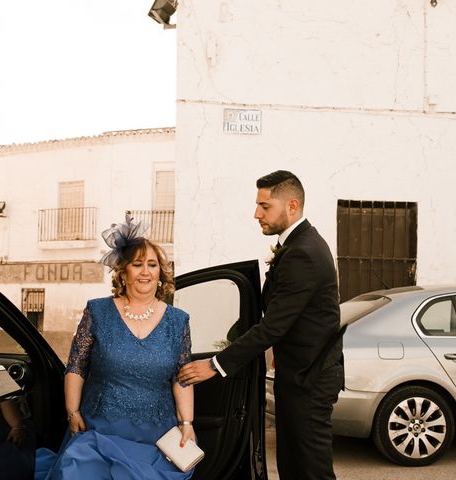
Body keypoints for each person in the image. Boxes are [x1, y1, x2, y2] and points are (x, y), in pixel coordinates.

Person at [178, 170, 344, 480]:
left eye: (265, 206)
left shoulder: (303, 254)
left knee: (311, 471)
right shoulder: (298, 246)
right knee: (294, 467)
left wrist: (214, 364)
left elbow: (273, 327)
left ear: (291, 206)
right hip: (301, 377)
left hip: (309, 381)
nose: (256, 214)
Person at [35, 215, 196, 479]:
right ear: (123, 271)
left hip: (156, 435)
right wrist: (72, 411)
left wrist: (186, 423)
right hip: (99, 430)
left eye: (152, 265)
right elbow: (77, 365)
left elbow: (183, 377)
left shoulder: (178, 321)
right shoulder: (97, 311)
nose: (145, 271)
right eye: (137, 264)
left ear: (161, 272)